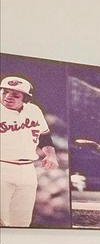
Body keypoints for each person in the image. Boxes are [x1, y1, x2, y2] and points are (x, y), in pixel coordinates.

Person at [0, 72, 55, 228]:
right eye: (4, 91)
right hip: (2, 167)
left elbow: (45, 136)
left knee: (22, 222)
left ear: (26, 98)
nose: (8, 96)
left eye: (15, 95)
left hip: (28, 170)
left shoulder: (34, 110)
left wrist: (51, 155)